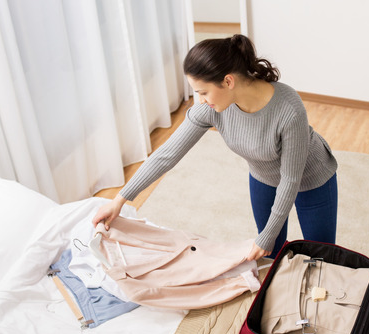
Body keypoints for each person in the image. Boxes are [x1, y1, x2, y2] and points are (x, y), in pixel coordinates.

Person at [92, 34, 338, 261]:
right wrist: (120, 200)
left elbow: (290, 179)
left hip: (311, 178)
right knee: (271, 254)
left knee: (321, 257)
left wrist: (266, 236)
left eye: (203, 92)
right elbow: (167, 155)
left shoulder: (288, 109)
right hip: (263, 176)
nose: (200, 100)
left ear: (228, 81)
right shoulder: (212, 108)